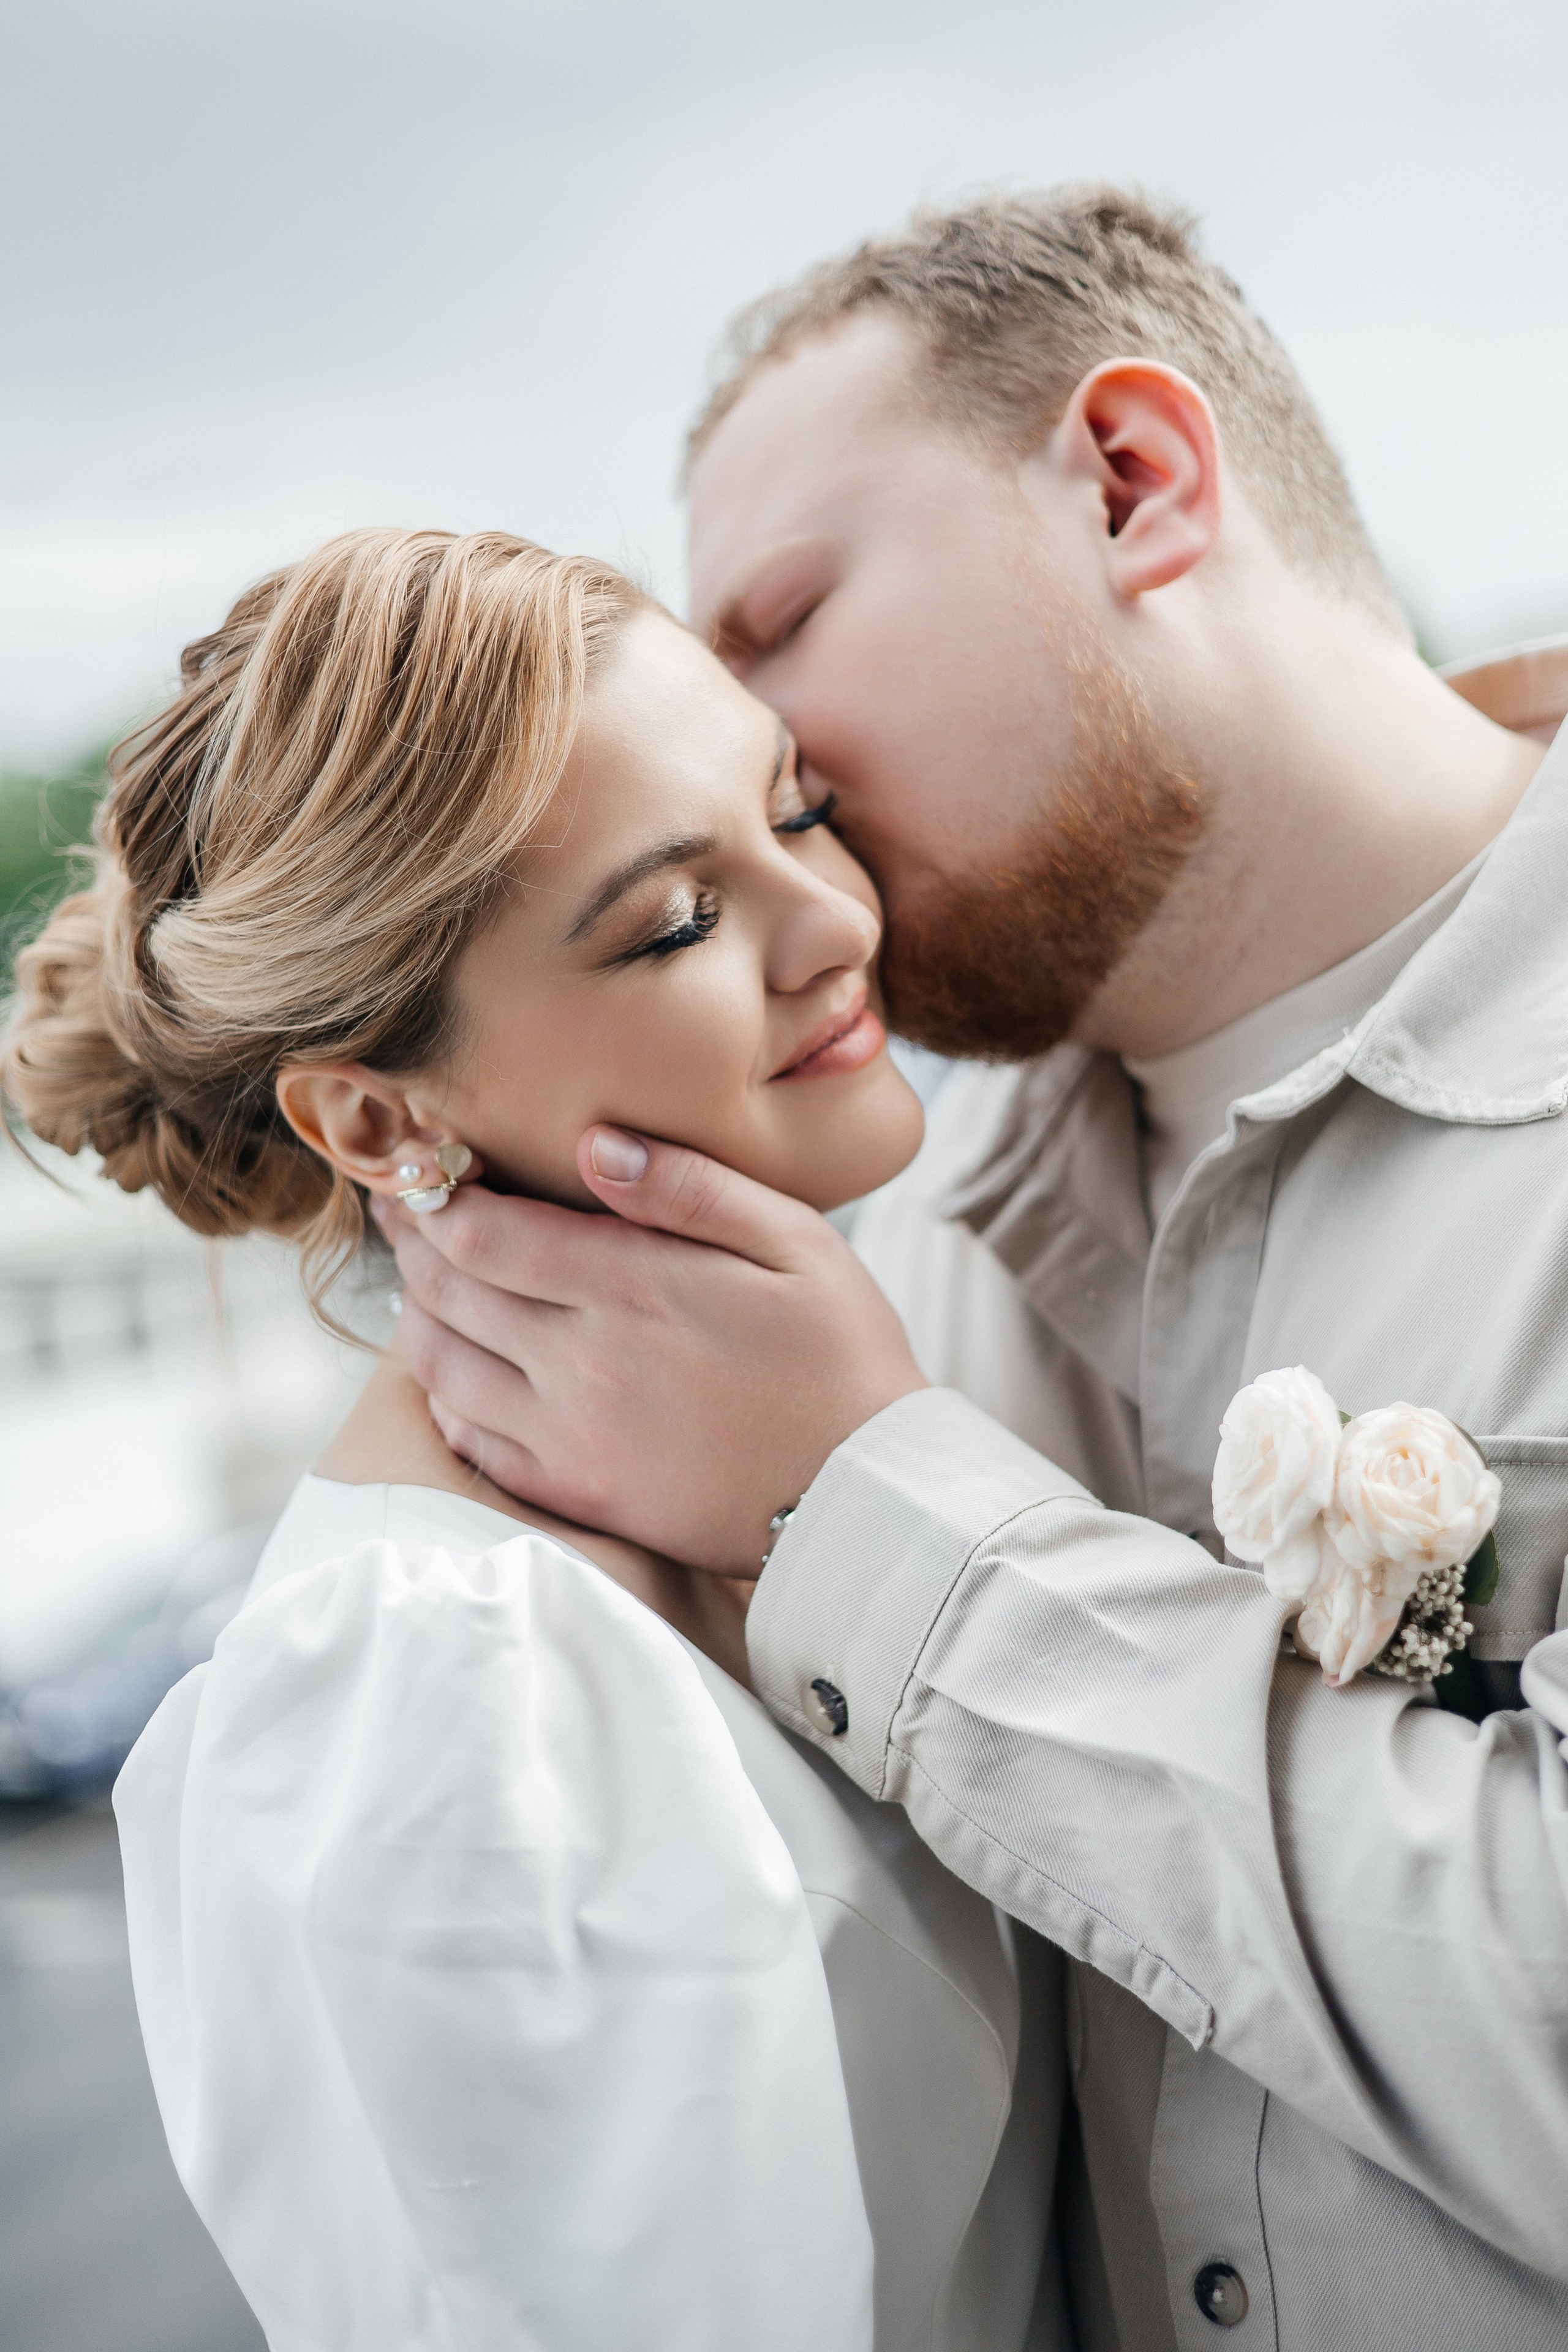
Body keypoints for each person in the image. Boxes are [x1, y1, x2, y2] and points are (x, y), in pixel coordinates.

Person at [382, 192, 1568, 2347]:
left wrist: (886, 1535)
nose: (771, 769)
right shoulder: (860, 1280)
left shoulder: (834, 1419)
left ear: (1136, 484)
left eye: (781, 622)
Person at [1, 529, 1065, 2352]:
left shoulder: (826, 1426)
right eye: (675, 921)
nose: (840, 925)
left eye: (796, 812)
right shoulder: (442, 1685)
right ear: (368, 1113)